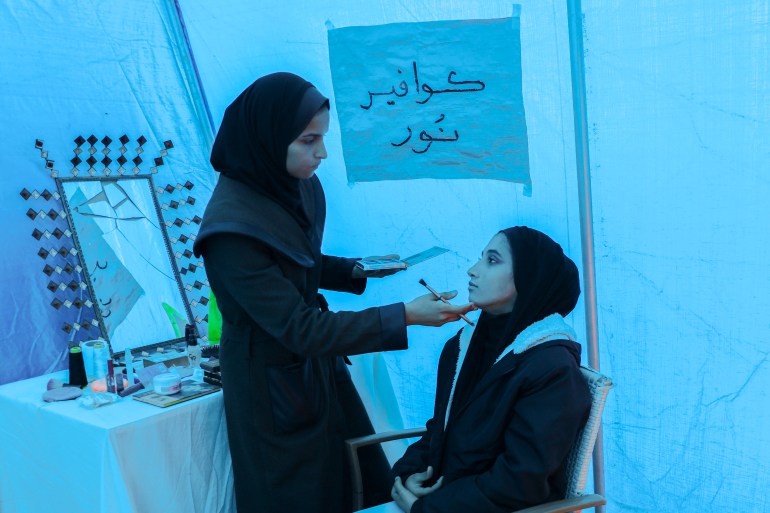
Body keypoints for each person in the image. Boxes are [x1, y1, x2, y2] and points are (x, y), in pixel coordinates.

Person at [192, 72, 474, 513]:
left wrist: (357, 270)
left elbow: (293, 258)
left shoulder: (288, 183)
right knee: (295, 494)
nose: (321, 153)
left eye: (322, 138)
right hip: (270, 389)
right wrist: (405, 315)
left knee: (350, 478)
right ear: (268, 137)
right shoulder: (231, 232)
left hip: (313, 370)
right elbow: (299, 327)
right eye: (308, 140)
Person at [389, 226, 592, 513]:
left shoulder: (552, 370)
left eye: (492, 260)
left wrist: (428, 508)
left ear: (529, 278)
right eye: (481, 258)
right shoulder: (460, 348)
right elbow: (440, 430)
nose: (472, 270)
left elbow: (520, 482)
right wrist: (409, 474)